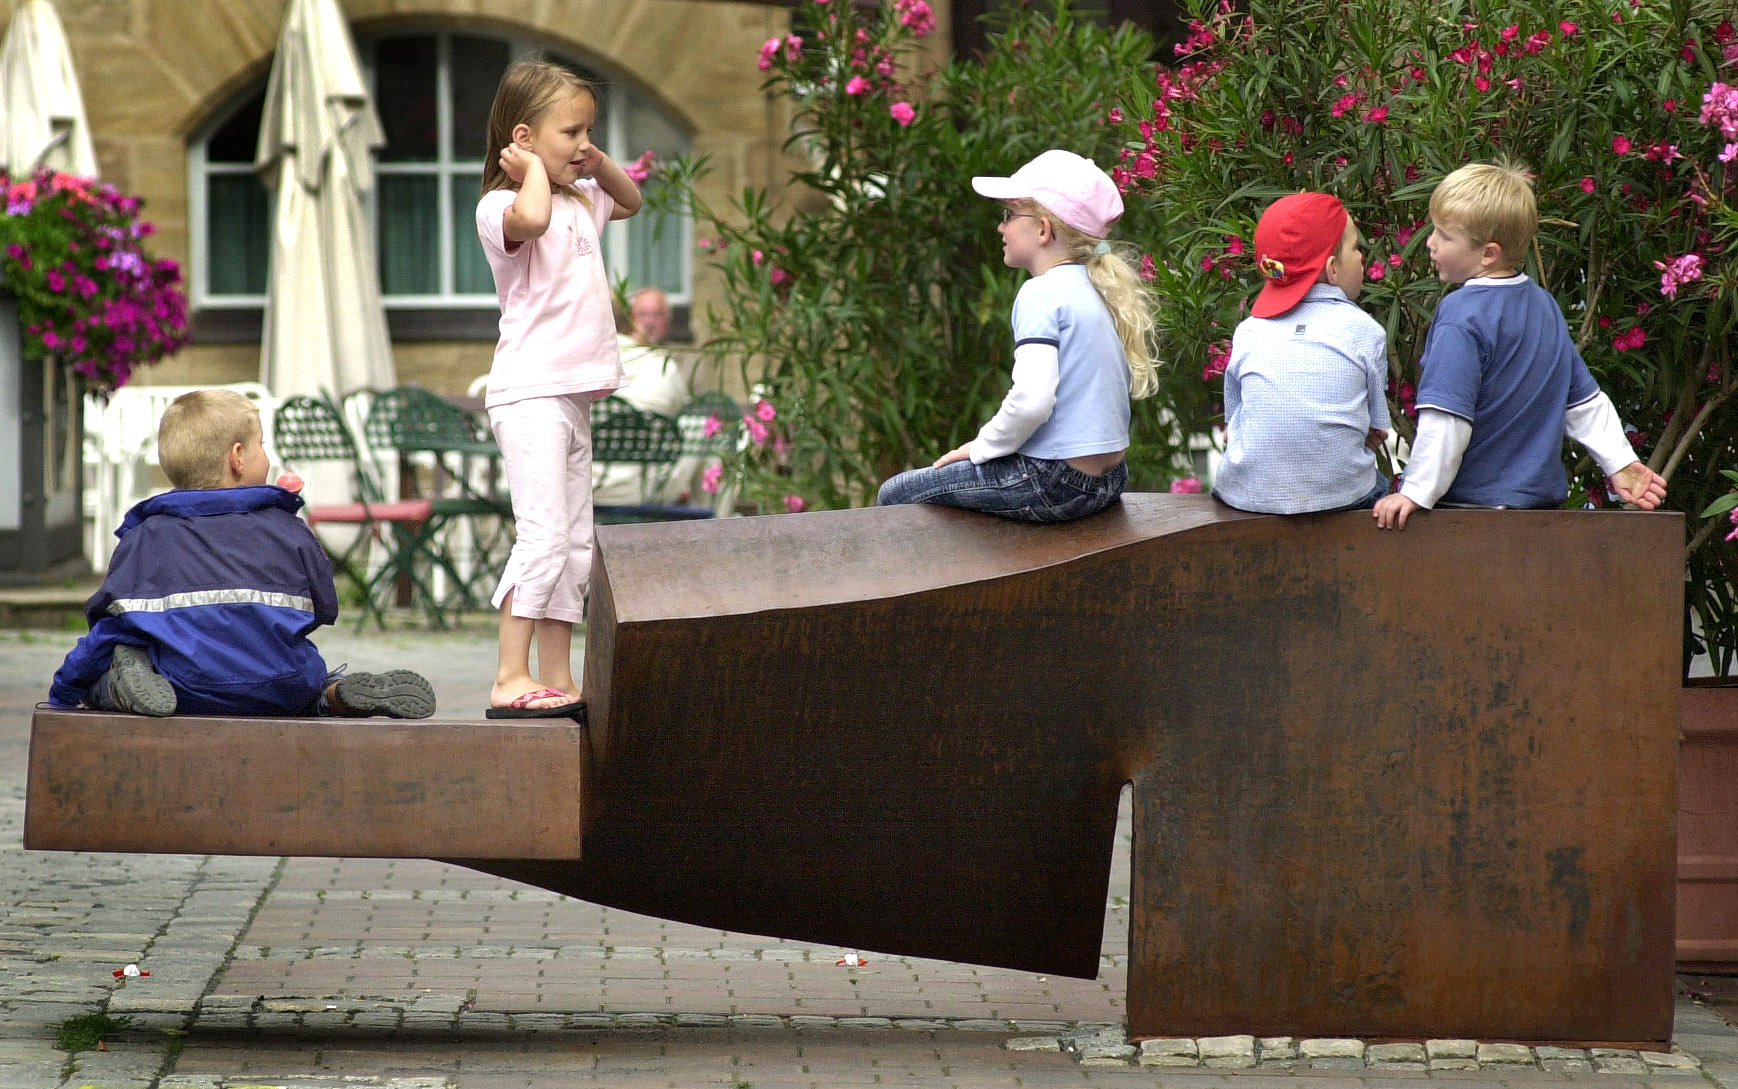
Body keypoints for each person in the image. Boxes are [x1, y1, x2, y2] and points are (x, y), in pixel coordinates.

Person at [47, 390, 436, 719]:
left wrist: (63, 692)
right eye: (261, 444)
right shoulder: (289, 529)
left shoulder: (145, 536)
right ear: (237, 457)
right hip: (281, 684)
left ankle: (122, 686)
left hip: (183, 687)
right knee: (306, 685)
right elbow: (323, 609)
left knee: (116, 660)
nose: (266, 455)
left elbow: (108, 629)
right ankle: (333, 695)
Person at [475, 60, 642, 718]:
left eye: (589, 131)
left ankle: (555, 675)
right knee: (542, 536)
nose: (583, 143)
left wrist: (593, 161)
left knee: (574, 543)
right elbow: (533, 220)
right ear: (522, 138)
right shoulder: (502, 208)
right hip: (530, 394)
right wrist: (533, 172)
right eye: (571, 131)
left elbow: (628, 200)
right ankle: (508, 674)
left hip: (570, 399)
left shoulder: (581, 198)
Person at [1373, 161, 1667, 530]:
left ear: (1488, 254)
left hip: (1471, 512)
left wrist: (1416, 490)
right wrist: (1620, 461)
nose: (1430, 243)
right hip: (1539, 515)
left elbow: (1448, 415)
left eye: (1444, 236)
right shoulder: (1544, 305)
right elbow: (1583, 402)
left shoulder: (1461, 314)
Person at [876, 149, 1158, 523]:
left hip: (1056, 481)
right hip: (1109, 480)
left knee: (894, 494)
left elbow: (1031, 401)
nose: (1001, 228)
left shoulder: (1041, 292)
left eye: (1009, 215)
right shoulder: (1099, 288)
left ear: (1043, 229)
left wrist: (982, 447)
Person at [1214, 192, 1392, 514]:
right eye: (1355, 248)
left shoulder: (1248, 332)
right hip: (1340, 499)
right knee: (1379, 485)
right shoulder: (1366, 332)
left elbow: (1233, 424)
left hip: (1249, 498)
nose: (1362, 256)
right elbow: (1378, 428)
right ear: (1333, 269)